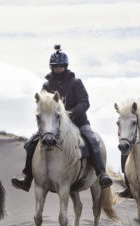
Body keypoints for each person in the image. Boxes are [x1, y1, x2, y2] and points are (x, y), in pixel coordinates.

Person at [11, 45, 113, 192]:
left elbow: (85, 102)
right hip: (53, 125)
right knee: (30, 143)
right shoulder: (47, 85)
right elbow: (42, 103)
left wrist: (71, 113)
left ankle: (102, 174)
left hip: (78, 122)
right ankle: (27, 178)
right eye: (55, 66)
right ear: (51, 67)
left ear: (65, 66)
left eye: (60, 66)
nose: (58, 68)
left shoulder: (76, 83)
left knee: (93, 140)